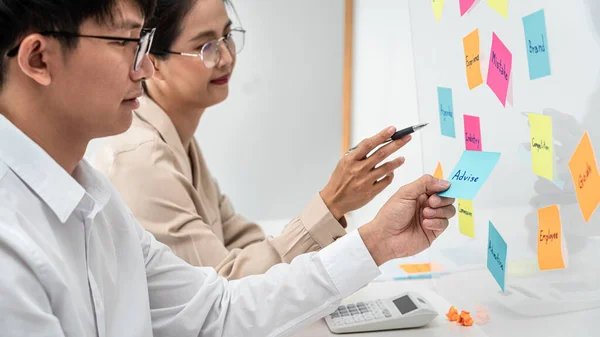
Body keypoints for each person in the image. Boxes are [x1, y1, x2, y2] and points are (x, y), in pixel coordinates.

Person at [0, 1, 456, 335]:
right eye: (127, 42)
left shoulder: (94, 196)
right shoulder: (12, 249)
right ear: (39, 59)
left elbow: (218, 307)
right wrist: (333, 206)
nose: (142, 67)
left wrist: (376, 242)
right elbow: (227, 282)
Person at [93, 0, 413, 279]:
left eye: (227, 37)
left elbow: (246, 244)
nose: (226, 58)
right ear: (154, 63)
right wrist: (333, 203)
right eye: (206, 46)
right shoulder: (142, 160)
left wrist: (338, 215)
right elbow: (222, 288)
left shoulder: (177, 143)